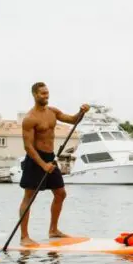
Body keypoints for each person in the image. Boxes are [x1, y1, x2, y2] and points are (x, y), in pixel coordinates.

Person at [18, 81, 91, 245]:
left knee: (60, 193)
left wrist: (81, 112)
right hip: (35, 159)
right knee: (29, 197)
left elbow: (73, 120)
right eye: (43, 93)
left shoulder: (53, 112)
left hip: (50, 157)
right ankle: (24, 237)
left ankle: (53, 230)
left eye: (47, 93)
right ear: (35, 95)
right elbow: (28, 146)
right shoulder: (30, 119)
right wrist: (43, 165)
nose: (46, 96)